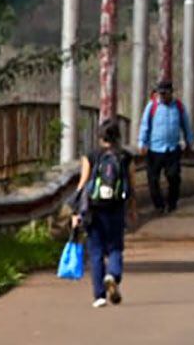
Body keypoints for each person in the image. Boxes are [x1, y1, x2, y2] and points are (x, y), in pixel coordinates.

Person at [75, 120, 131, 308]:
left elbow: (83, 184)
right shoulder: (124, 156)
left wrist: (77, 211)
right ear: (118, 137)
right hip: (116, 209)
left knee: (96, 251)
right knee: (115, 248)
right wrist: (133, 209)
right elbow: (130, 185)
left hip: (94, 210)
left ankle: (99, 296)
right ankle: (113, 275)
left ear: (99, 137)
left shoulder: (91, 156)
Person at [137, 80, 192, 215]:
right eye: (160, 93)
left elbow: (186, 125)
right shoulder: (152, 106)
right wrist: (142, 143)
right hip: (155, 149)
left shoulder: (178, 107)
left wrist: (189, 141)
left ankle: (172, 204)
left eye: (164, 93)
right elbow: (145, 125)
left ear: (171, 93)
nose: (162, 96)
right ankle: (159, 205)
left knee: (173, 177)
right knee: (153, 179)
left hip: (172, 149)